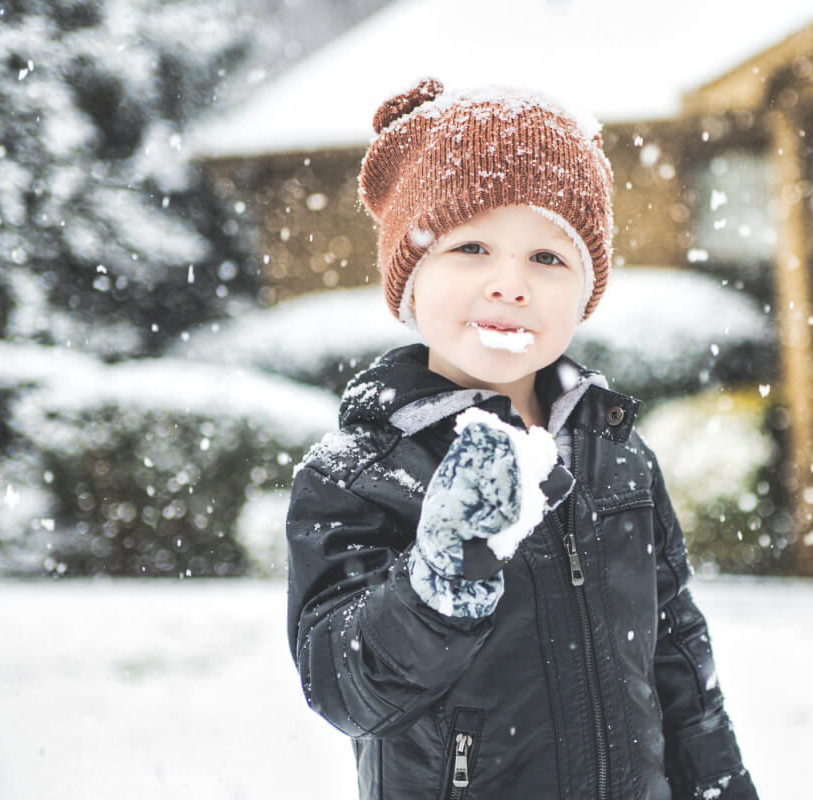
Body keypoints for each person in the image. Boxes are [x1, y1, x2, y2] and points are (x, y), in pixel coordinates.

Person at [285, 76, 759, 800]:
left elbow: (678, 661)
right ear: (411, 282)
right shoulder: (361, 472)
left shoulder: (616, 452)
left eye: (547, 257)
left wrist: (720, 787)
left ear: (585, 290)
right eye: (471, 247)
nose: (510, 283)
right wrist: (436, 583)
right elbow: (347, 688)